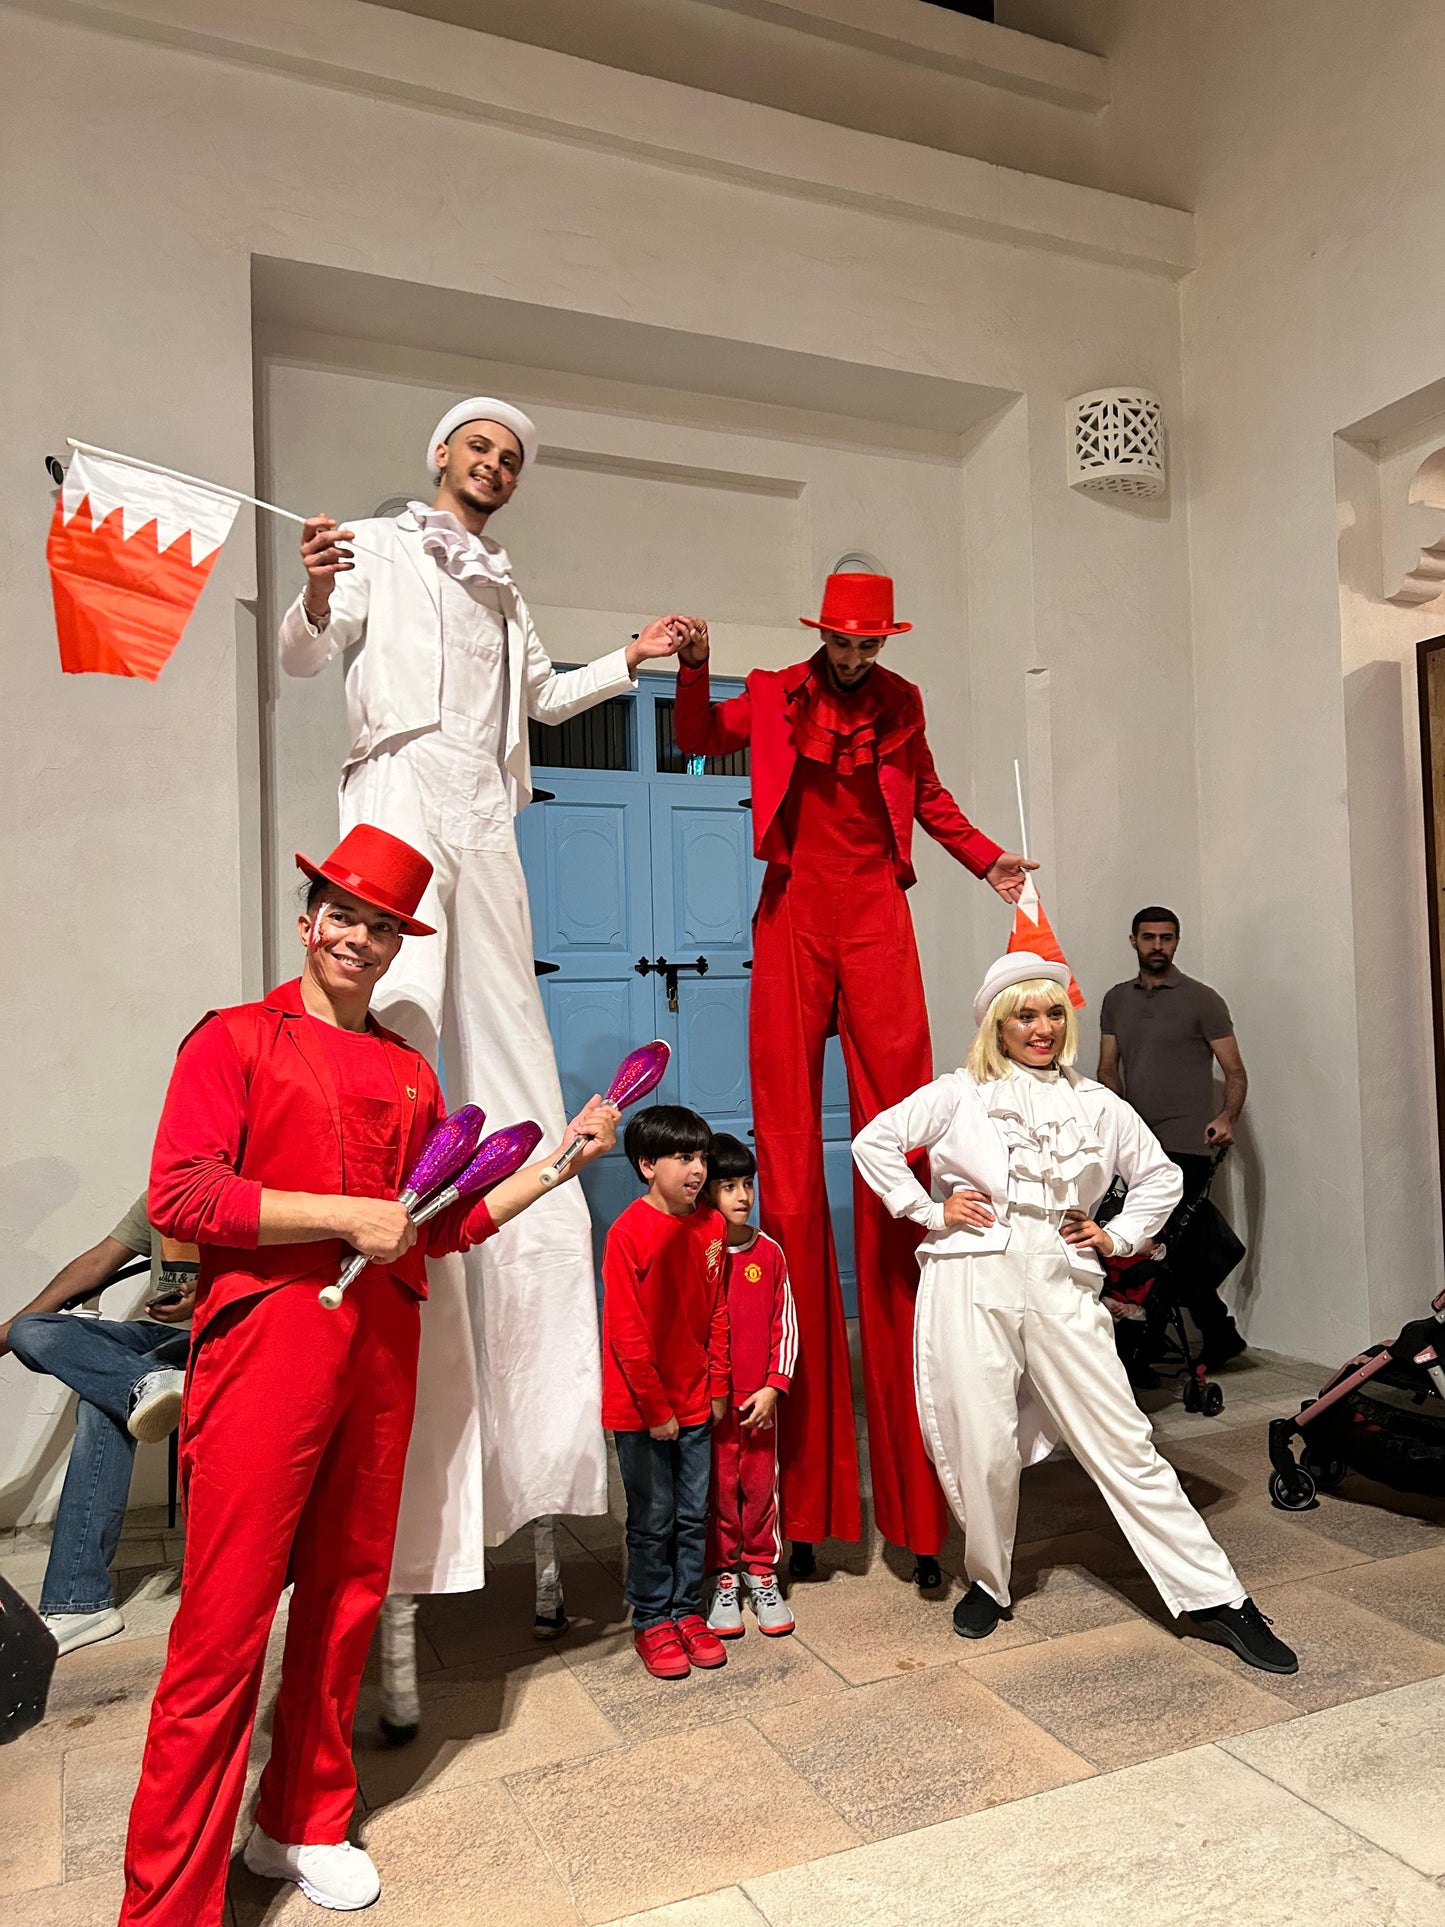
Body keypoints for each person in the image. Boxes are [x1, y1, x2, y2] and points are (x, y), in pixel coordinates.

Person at [279, 397, 702, 1731]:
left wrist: (623, 659)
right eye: (479, 448)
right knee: (396, 1024)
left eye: (511, 457)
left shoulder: (503, 589)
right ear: (437, 459)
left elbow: (544, 698)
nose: (494, 466)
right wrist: (308, 588)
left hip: (482, 805)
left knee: (509, 1051)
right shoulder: (385, 554)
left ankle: (534, 1447)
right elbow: (304, 655)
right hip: (398, 785)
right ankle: (385, 1178)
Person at [118, 824, 618, 1925]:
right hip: (264, 1349)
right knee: (221, 1630)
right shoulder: (234, 1039)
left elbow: (435, 1226)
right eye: (340, 912)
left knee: (346, 1602)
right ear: (309, 921)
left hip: (380, 1356)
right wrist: (344, 1212)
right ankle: (164, 1905)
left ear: (397, 947)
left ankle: (298, 1819)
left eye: (378, 923)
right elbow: (183, 1197)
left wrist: (559, 1164)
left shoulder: (406, 1069)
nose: (355, 934)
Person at [673, 572, 1034, 1585]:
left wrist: (987, 863)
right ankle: (800, 1510)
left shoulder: (901, 703)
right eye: (843, 640)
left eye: (868, 644)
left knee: (899, 1184)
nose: (854, 657)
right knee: (784, 1184)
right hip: (791, 912)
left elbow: (924, 794)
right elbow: (699, 736)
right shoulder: (776, 689)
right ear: (820, 631)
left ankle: (920, 1519)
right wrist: (693, 667)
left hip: (876, 914)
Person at [852, 953, 1297, 1676]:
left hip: (1060, 1271)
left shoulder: (1098, 1102)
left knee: (1122, 1437)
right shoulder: (957, 1093)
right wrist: (926, 1208)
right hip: (971, 1270)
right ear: (997, 1021)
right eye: (1025, 1013)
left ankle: (1215, 1597)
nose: (1041, 1027)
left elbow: (1159, 1175)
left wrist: (1116, 1235)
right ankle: (991, 1582)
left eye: (1053, 1013)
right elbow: (874, 1140)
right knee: (982, 1442)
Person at [2, 1198, 196, 1655]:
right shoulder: (164, 1193)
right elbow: (97, 1261)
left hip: (223, 1335)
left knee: (100, 1402)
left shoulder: (258, 1189)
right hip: (163, 1339)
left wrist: (203, 1297)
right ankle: (144, 1383)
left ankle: (79, 1602)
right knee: (33, 1330)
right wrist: (7, 1330)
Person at [602, 1106, 731, 1681]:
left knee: (691, 1513)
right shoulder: (628, 1233)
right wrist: (657, 1410)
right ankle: (652, 1616)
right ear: (647, 1164)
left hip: (697, 1399)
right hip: (643, 1410)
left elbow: (718, 1311)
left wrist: (718, 1384)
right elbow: (627, 1335)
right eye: (684, 1157)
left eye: (702, 1156)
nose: (698, 1169)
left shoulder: (711, 1227)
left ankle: (686, 1609)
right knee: (652, 1516)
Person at [1098, 906, 1249, 1368]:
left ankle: (1149, 1346)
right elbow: (1108, 1066)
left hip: (1188, 1142)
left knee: (1171, 1246)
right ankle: (1208, 1333)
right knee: (1136, 1244)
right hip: (1134, 1145)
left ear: (1176, 942)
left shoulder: (1203, 1000)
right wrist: (1112, 1120)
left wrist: (1227, 1118)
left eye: (1166, 938)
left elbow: (1236, 1072)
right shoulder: (1116, 999)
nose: (1157, 946)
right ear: (1133, 941)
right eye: (1149, 937)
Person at [702, 1134, 798, 1639]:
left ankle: (761, 1572)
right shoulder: (702, 1252)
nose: (741, 1196)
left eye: (747, 1185)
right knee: (718, 1492)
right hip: (712, 1407)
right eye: (727, 1186)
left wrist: (774, 1386)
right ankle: (723, 1577)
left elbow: (785, 1322)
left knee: (760, 1490)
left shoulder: (770, 1252)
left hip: (759, 1404)